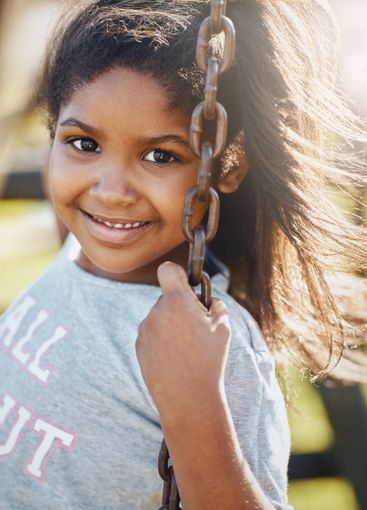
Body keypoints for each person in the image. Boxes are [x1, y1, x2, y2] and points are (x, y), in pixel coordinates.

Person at [0, 1, 366, 508]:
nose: (110, 191)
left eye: (160, 156)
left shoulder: (212, 347)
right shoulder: (79, 257)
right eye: (85, 144)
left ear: (227, 167)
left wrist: (197, 409)